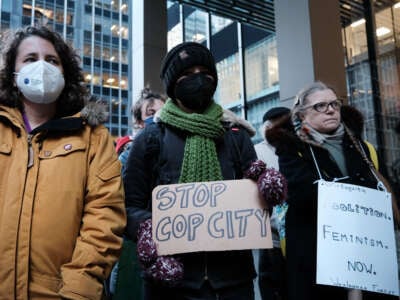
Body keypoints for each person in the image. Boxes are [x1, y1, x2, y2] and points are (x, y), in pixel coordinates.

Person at [123, 42, 258, 300]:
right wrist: (152, 229)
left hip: (233, 282)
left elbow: (258, 201)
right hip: (171, 284)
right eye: (187, 74)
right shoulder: (150, 139)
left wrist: (266, 191)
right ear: (173, 84)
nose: (198, 79)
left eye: (204, 73)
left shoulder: (236, 137)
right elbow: (128, 206)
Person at [0, 26, 126, 299]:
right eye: (30, 59)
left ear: (64, 72)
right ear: (12, 74)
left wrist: (77, 291)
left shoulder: (94, 137)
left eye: (52, 60)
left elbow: (104, 220)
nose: (42, 66)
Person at [266, 81, 399, 300]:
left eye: (334, 104)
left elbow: (385, 194)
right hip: (317, 264)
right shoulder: (291, 148)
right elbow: (301, 193)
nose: (330, 109)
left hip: (368, 259)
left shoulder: (364, 148)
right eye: (320, 106)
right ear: (301, 115)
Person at [110, 87, 165, 300]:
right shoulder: (129, 154)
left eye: (163, 110)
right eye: (151, 113)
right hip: (136, 241)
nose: (158, 116)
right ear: (140, 122)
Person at [255, 106, 290, 300]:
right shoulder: (257, 152)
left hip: (296, 233)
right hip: (271, 236)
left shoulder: (297, 148)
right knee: (272, 284)